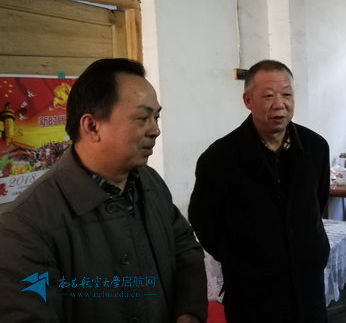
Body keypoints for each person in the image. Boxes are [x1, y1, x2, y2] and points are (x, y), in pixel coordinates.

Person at [0, 58, 208, 323]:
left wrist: (189, 313)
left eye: (156, 117)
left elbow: (185, 248)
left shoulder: (150, 182)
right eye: (142, 118)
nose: (155, 130)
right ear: (92, 126)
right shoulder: (25, 226)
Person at [188, 59, 331, 322]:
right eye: (268, 96)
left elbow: (317, 202)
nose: (279, 104)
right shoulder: (219, 158)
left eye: (287, 94)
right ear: (248, 101)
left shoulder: (316, 147)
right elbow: (204, 223)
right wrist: (242, 259)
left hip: (308, 286)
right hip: (252, 292)